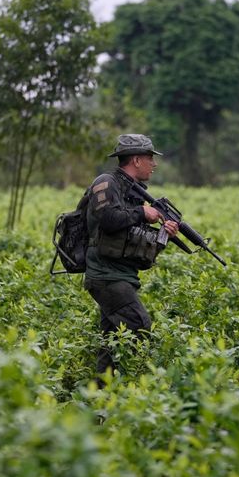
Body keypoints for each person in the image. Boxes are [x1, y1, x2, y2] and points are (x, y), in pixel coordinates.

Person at [84, 134, 179, 382]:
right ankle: (132, 384)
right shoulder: (106, 183)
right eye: (150, 159)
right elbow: (109, 219)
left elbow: (135, 241)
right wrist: (142, 213)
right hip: (106, 275)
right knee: (139, 325)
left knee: (113, 339)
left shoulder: (134, 191)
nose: (154, 164)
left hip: (122, 274)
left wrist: (163, 235)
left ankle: (101, 394)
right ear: (136, 160)